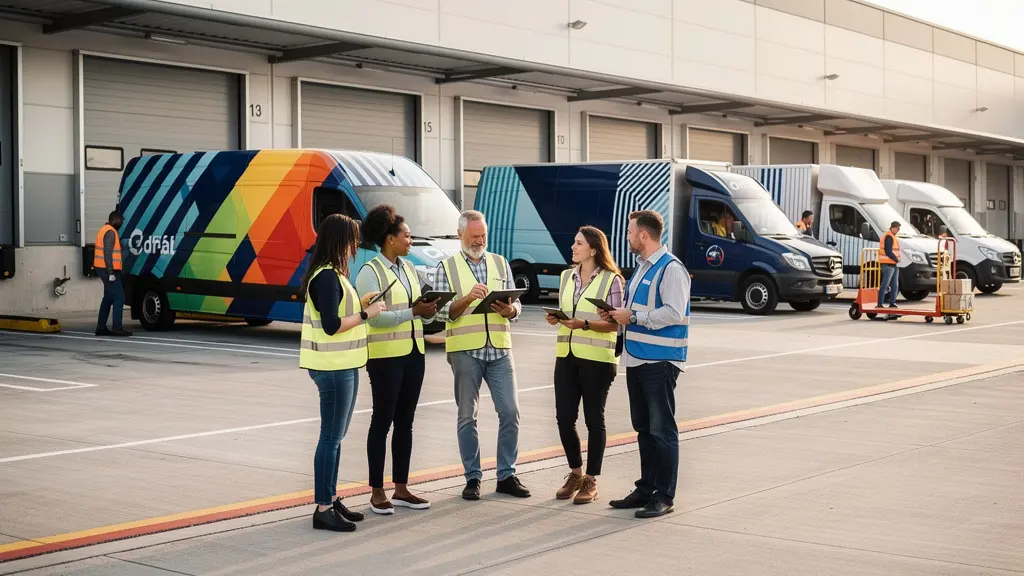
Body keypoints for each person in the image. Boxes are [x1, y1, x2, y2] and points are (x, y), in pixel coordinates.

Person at [433, 210, 530, 501]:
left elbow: (516, 304)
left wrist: (511, 310)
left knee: (510, 411)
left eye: (483, 235)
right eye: (474, 236)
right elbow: (441, 313)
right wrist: (468, 298)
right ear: (460, 235)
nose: (480, 241)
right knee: (467, 416)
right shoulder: (446, 267)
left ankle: (506, 476)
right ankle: (472, 477)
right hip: (466, 351)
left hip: (499, 348)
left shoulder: (500, 262)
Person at [600, 210, 690, 519]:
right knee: (644, 428)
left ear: (643, 235)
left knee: (662, 429)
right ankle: (646, 488)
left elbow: (674, 312)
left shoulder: (671, 269)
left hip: (659, 360)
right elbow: (634, 309)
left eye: (630, 232)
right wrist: (616, 315)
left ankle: (664, 495)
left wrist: (635, 318)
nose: (627, 237)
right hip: (637, 357)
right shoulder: (642, 268)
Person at [299, 214, 385, 532]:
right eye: (353, 239)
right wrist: (366, 313)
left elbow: (337, 311)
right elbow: (331, 325)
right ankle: (323, 507)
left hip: (342, 365)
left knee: (336, 438)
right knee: (331, 438)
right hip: (332, 368)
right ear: (340, 241)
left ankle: (331, 499)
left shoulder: (332, 275)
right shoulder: (326, 277)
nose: (355, 246)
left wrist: (360, 303)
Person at [355, 205, 438, 515]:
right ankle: (377, 490)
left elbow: (416, 311)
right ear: (390, 238)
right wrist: (412, 312)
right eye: (407, 235)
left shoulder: (409, 268)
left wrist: (428, 310)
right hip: (385, 357)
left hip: (414, 353)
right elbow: (375, 318)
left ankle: (401, 488)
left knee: (406, 422)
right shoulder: (371, 272)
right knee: (382, 420)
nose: (411, 241)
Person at [546, 226, 623, 504]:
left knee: (594, 420)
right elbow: (568, 313)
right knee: (564, 417)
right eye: (574, 242)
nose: (573, 247)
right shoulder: (566, 276)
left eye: (578, 243)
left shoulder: (612, 280)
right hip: (566, 355)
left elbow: (615, 324)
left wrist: (584, 324)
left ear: (593, 249)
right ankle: (575, 474)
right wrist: (557, 318)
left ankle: (591, 480)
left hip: (598, 360)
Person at [94, 210, 132, 337]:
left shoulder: (104, 229)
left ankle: (101, 328)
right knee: (119, 297)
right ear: (115, 220)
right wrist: (110, 272)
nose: (121, 223)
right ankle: (117, 328)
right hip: (108, 270)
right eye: (121, 220)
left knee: (108, 298)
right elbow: (107, 253)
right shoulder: (110, 232)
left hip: (104, 268)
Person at [878, 221, 901, 319]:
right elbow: (888, 251)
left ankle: (892, 303)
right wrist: (896, 259)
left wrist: (896, 261)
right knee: (885, 284)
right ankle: (880, 303)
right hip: (887, 264)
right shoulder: (888, 237)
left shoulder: (893, 237)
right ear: (893, 227)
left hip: (893, 264)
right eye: (897, 228)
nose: (898, 230)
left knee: (895, 285)